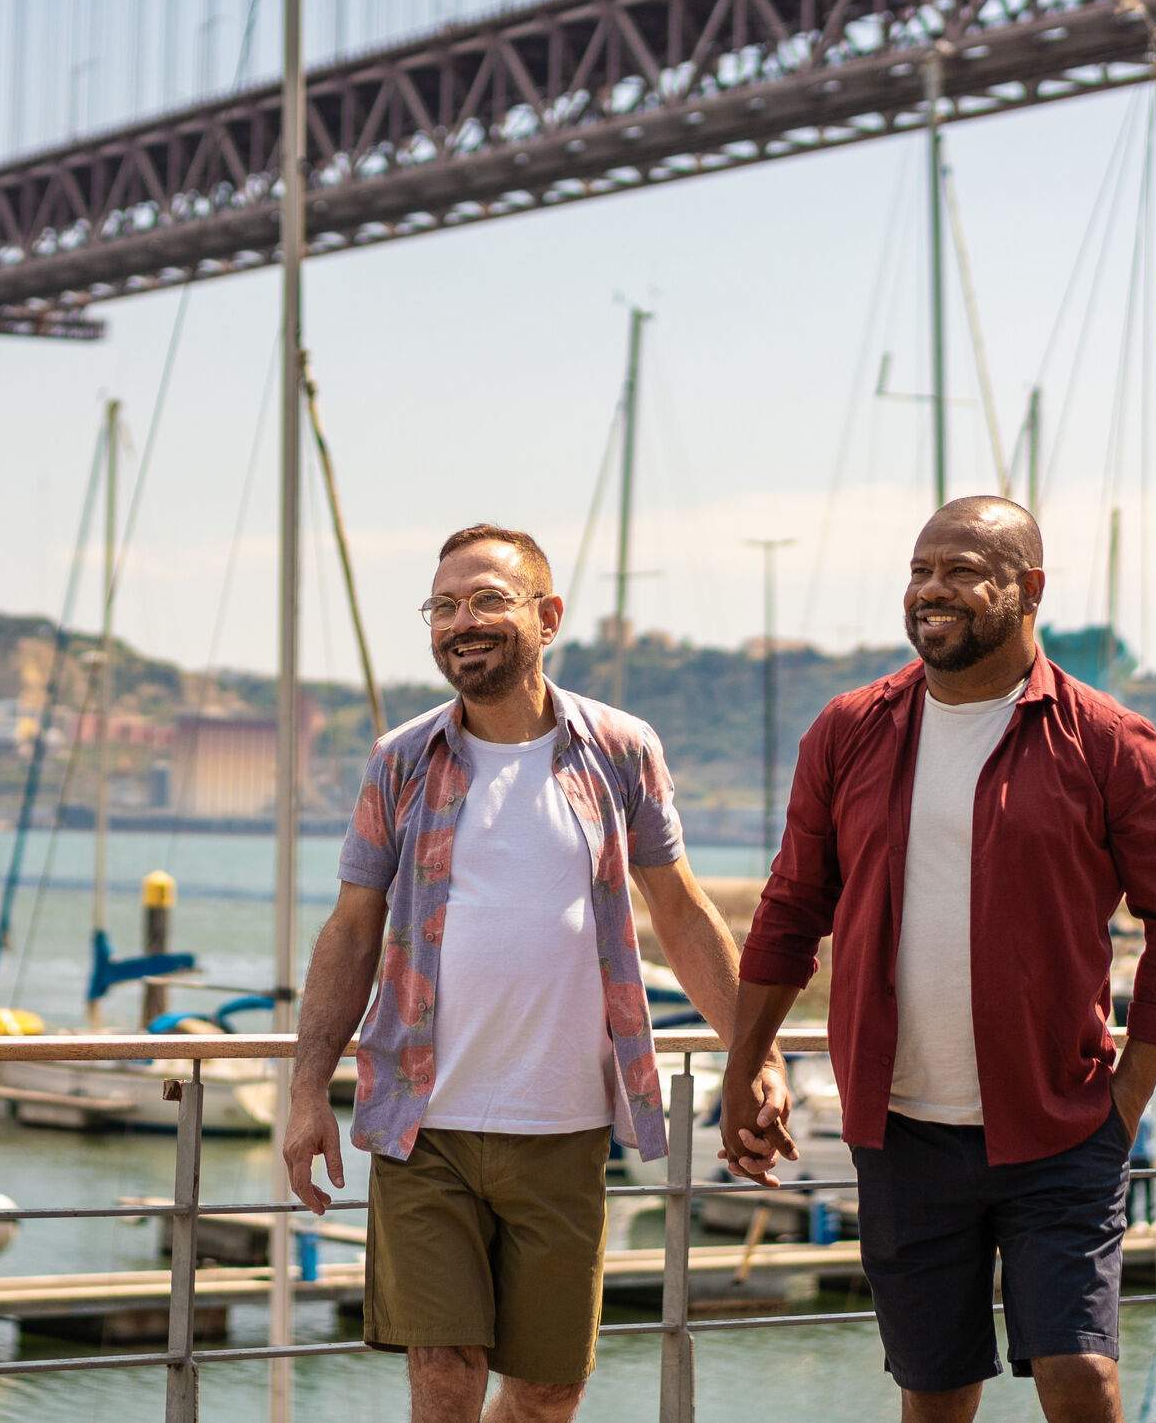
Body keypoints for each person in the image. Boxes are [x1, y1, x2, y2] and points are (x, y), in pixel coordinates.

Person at [720, 497, 1156, 1423]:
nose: (931, 592)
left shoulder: (1112, 744)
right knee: (936, 1390)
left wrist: (1127, 1099)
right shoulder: (849, 730)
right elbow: (792, 907)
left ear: (1028, 588)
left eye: (960, 571)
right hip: (900, 1130)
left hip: (1061, 1128)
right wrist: (744, 1064)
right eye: (920, 571)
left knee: (1082, 1374)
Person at [285, 523, 791, 1423]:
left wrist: (755, 1054)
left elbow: (678, 911)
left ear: (547, 615)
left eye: (486, 599)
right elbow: (352, 929)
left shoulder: (621, 748)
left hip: (564, 1127)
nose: (460, 621)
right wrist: (306, 1091)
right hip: (422, 1127)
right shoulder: (400, 760)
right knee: (444, 1377)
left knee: (551, 1391)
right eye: (443, 606)